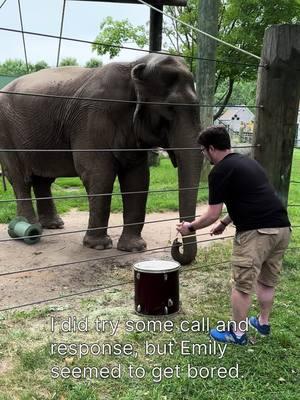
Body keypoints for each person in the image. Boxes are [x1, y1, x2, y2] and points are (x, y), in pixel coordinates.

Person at [176, 126, 291, 345]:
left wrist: (190, 228)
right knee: (267, 281)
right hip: (282, 229)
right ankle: (263, 323)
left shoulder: (219, 171)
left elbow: (211, 214)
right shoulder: (248, 162)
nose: (202, 154)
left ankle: (237, 334)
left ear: (211, 148)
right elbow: (252, 197)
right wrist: (225, 222)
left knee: (242, 285)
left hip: (256, 233)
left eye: (202, 150)